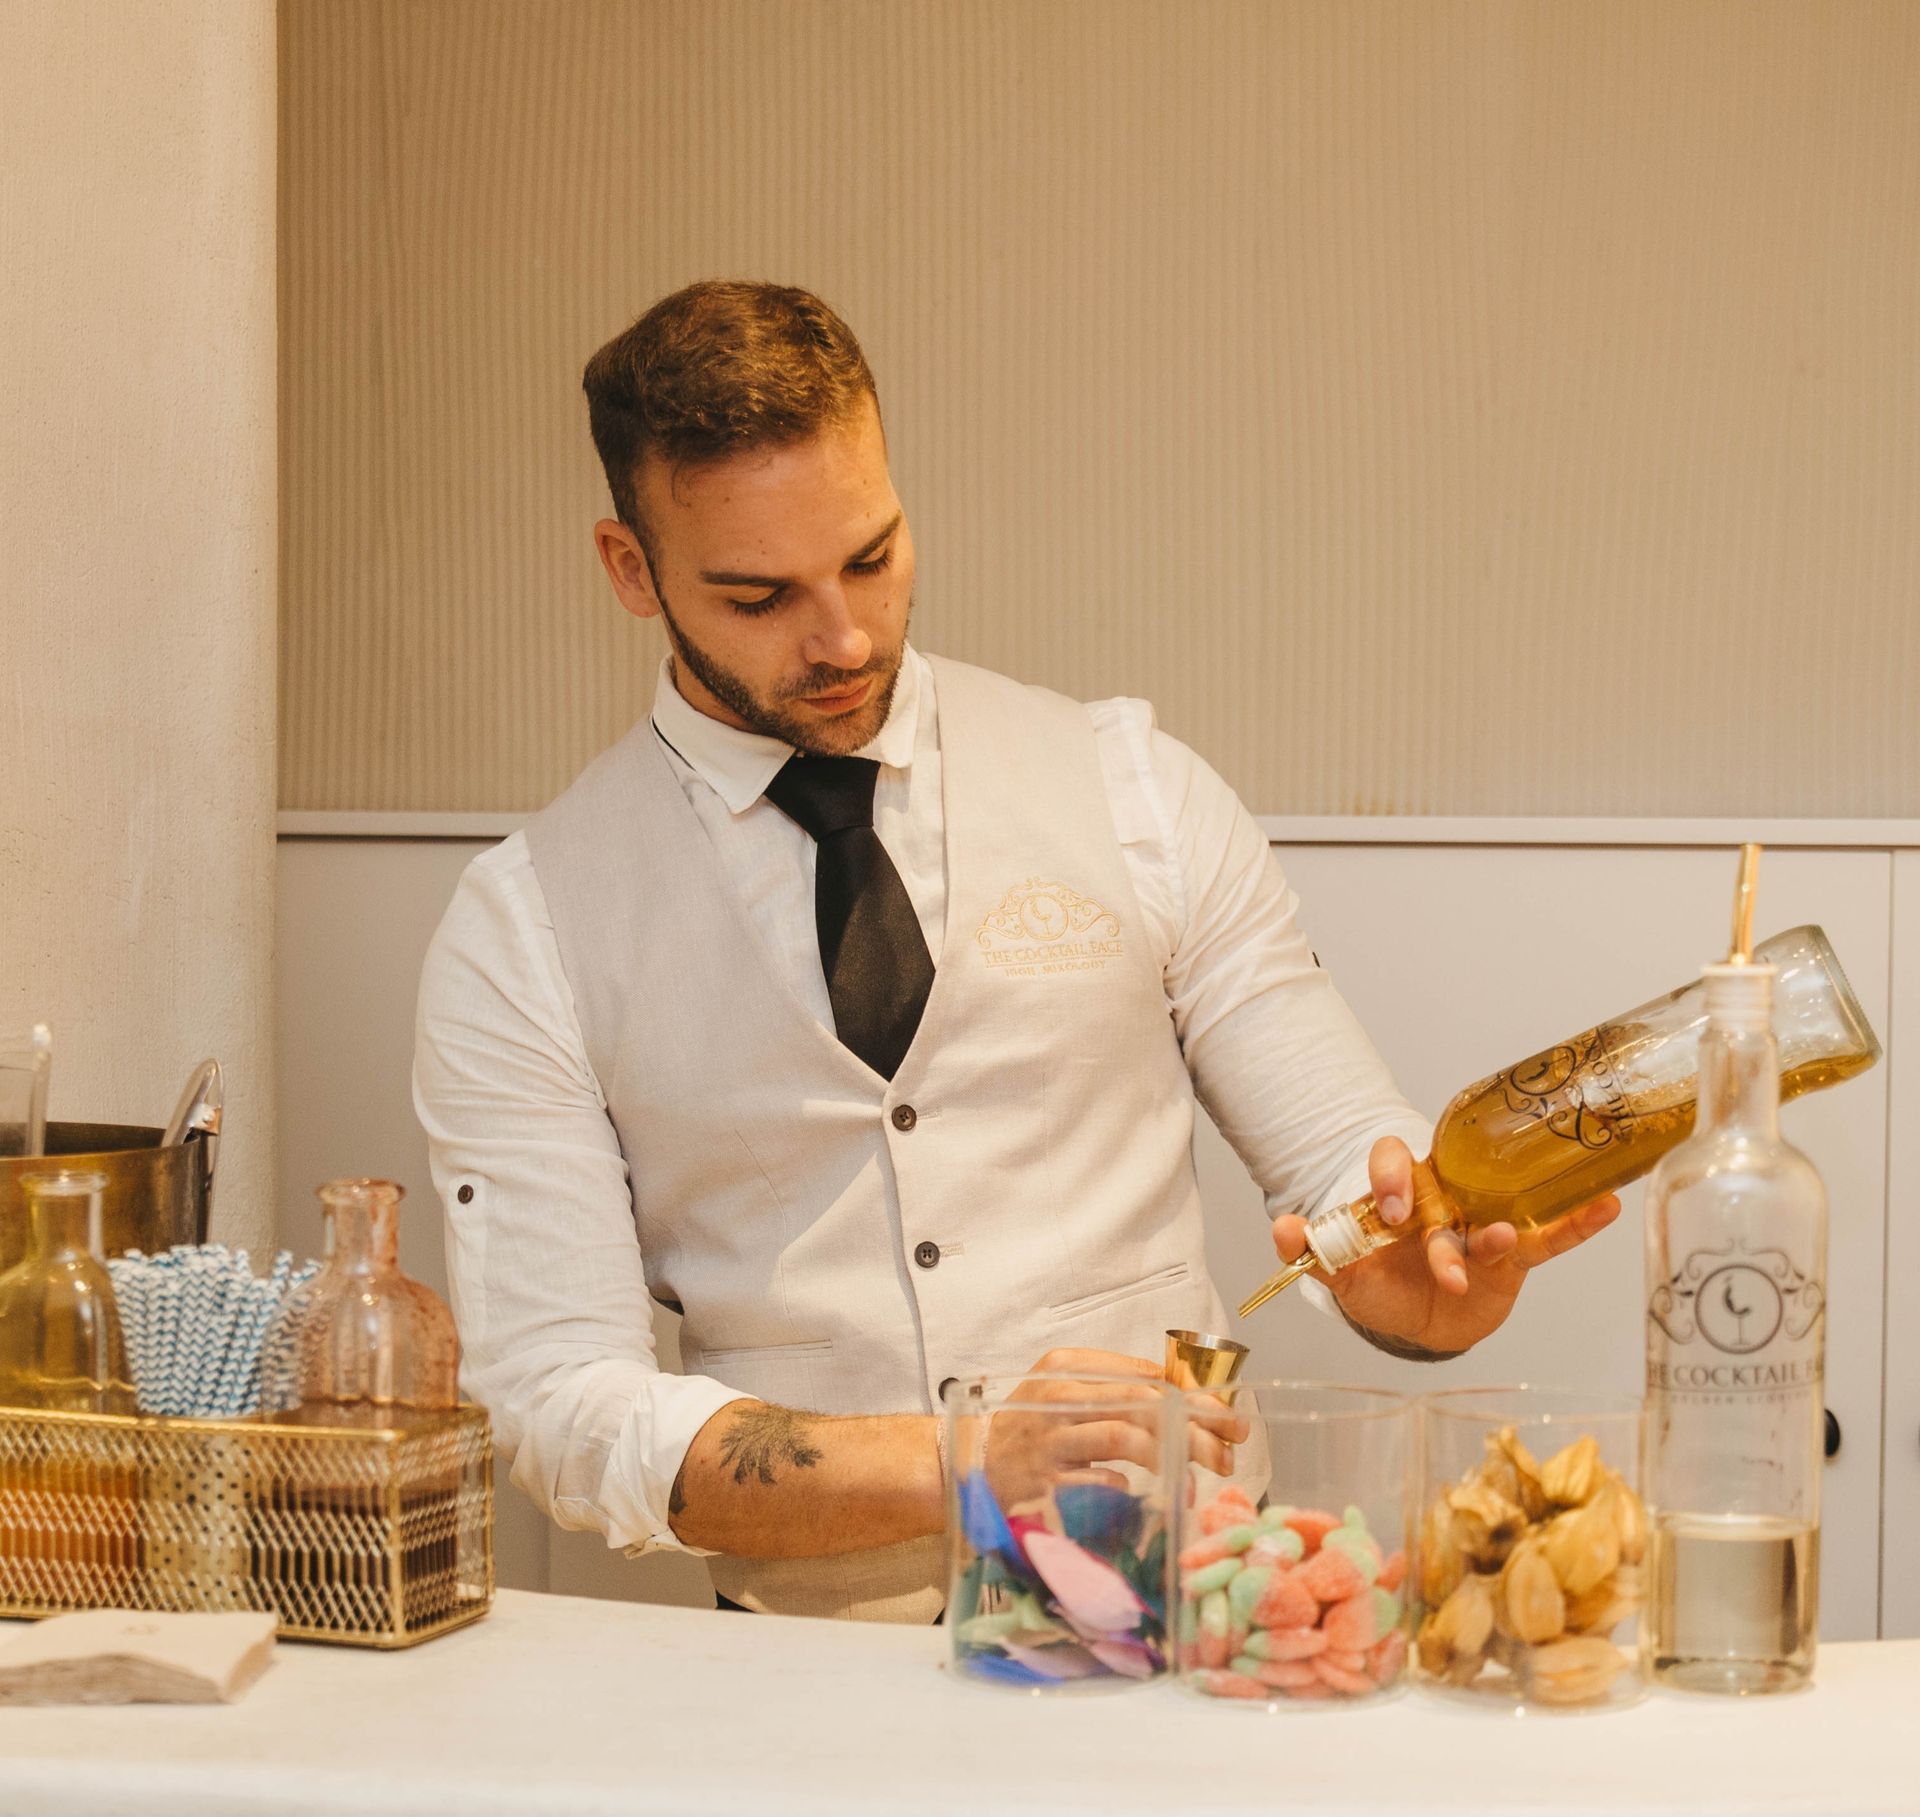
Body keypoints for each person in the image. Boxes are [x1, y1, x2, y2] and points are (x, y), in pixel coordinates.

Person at [413, 280, 1619, 1621]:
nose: (845, 636)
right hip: (802, 1689)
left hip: (1190, 1625)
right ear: (631, 568)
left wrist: (1419, 1292)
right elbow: (563, 1407)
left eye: (872, 556)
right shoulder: (524, 930)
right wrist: (962, 1455)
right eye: (761, 594)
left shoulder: (1134, 792)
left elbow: (1347, 1154)